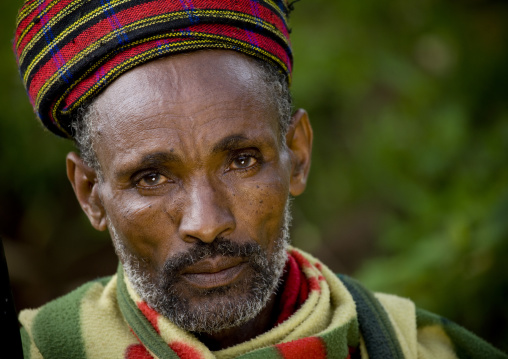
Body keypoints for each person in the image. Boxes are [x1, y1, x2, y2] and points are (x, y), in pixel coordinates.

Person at [13, 1, 507, 358]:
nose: (206, 224)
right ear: (90, 195)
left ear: (298, 154)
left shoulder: (411, 348)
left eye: (242, 161)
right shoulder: (43, 348)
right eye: (152, 177)